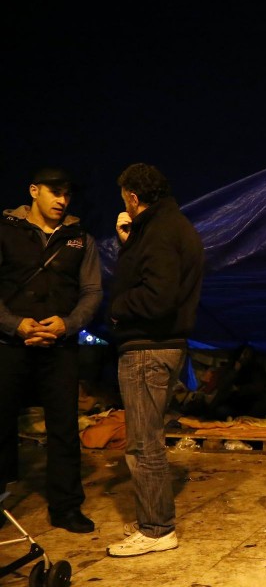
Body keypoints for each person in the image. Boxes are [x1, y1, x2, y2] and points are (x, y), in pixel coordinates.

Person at [106, 163, 204, 558]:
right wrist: (129, 241)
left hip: (148, 348)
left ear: (132, 197)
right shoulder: (167, 227)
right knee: (147, 440)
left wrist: (117, 308)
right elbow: (151, 276)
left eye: (124, 198)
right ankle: (153, 518)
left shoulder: (161, 231)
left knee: (143, 444)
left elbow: (157, 296)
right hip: (160, 346)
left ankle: (156, 529)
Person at [0, 168, 102, 533]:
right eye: (54, 192)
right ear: (34, 191)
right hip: (9, 344)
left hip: (60, 347)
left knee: (64, 427)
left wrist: (68, 324)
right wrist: (15, 324)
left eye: (67, 193)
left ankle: (66, 507)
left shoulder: (80, 238)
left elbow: (92, 291)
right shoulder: (5, 230)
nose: (62, 200)